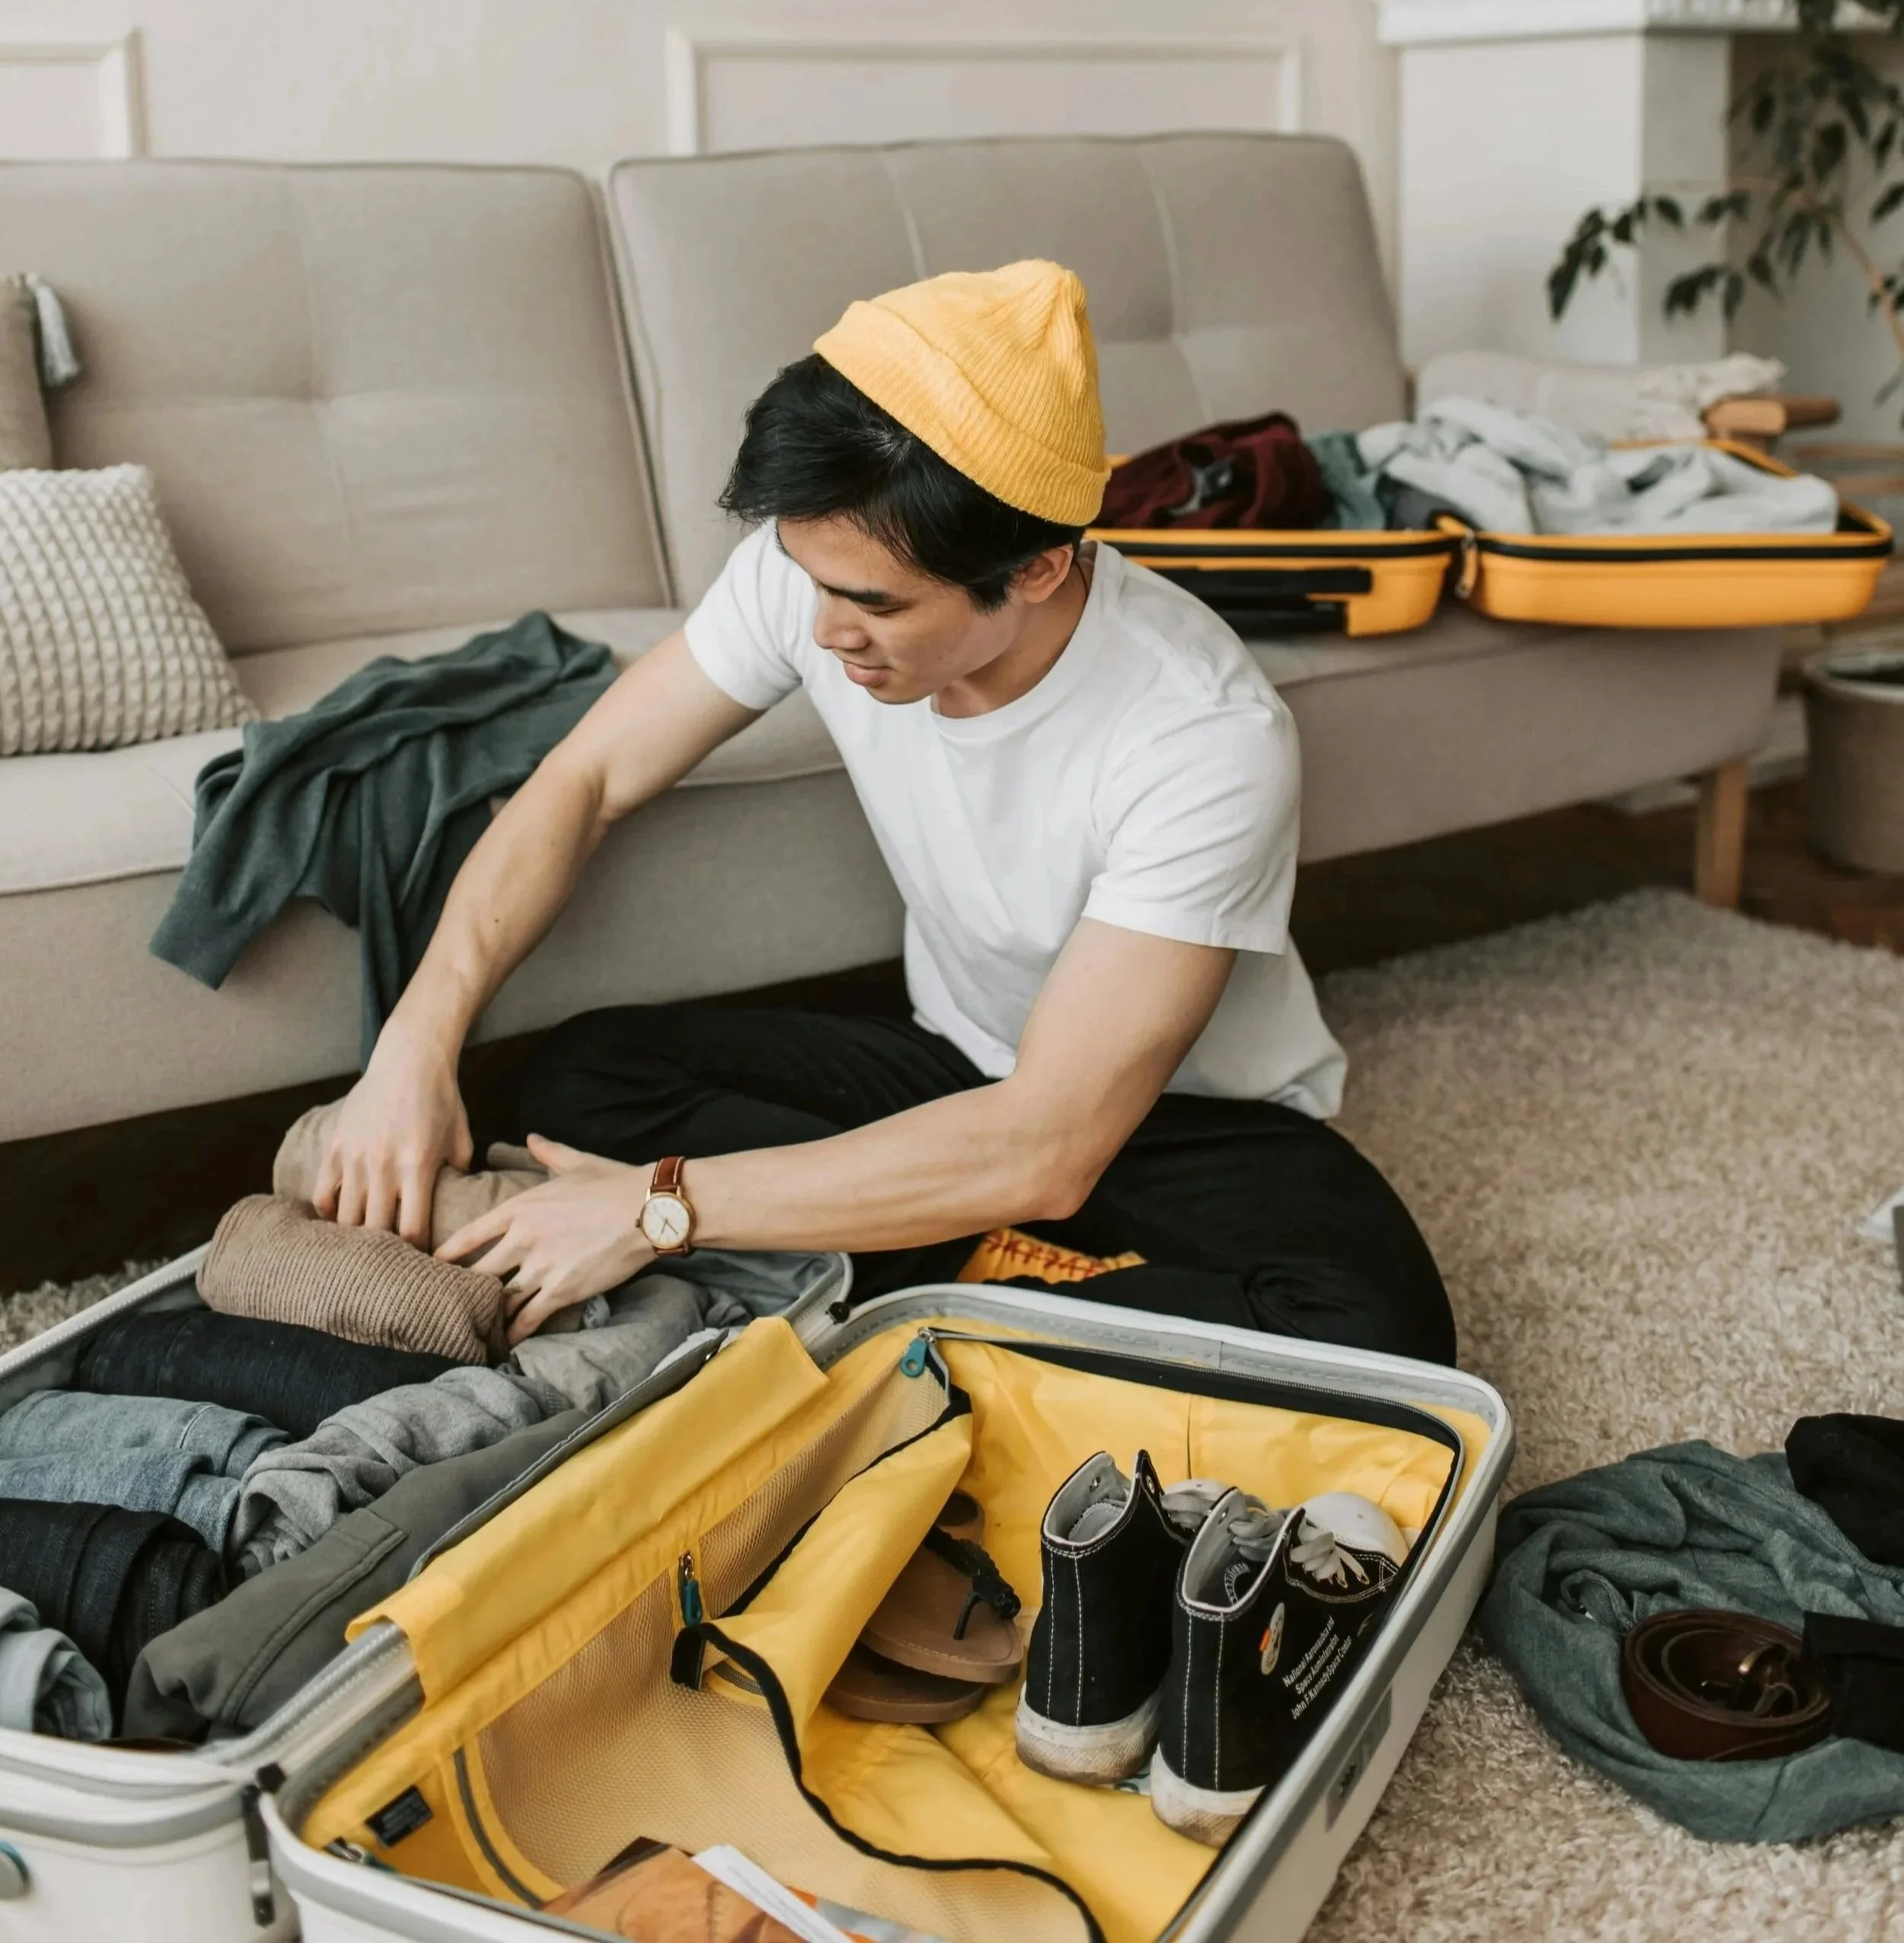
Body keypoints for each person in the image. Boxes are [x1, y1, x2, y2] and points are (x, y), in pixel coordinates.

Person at [313, 260, 1455, 1366]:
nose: (824, 631)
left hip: (1165, 1118)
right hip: (952, 1070)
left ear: (1040, 567)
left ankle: (894, 1268)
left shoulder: (1204, 734)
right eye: (809, 579)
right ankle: (973, 1279)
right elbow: (585, 778)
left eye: (875, 606)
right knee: (584, 1076)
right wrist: (414, 1044)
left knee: (1375, 1327)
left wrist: (661, 1209)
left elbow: (1053, 1141)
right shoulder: (820, 569)